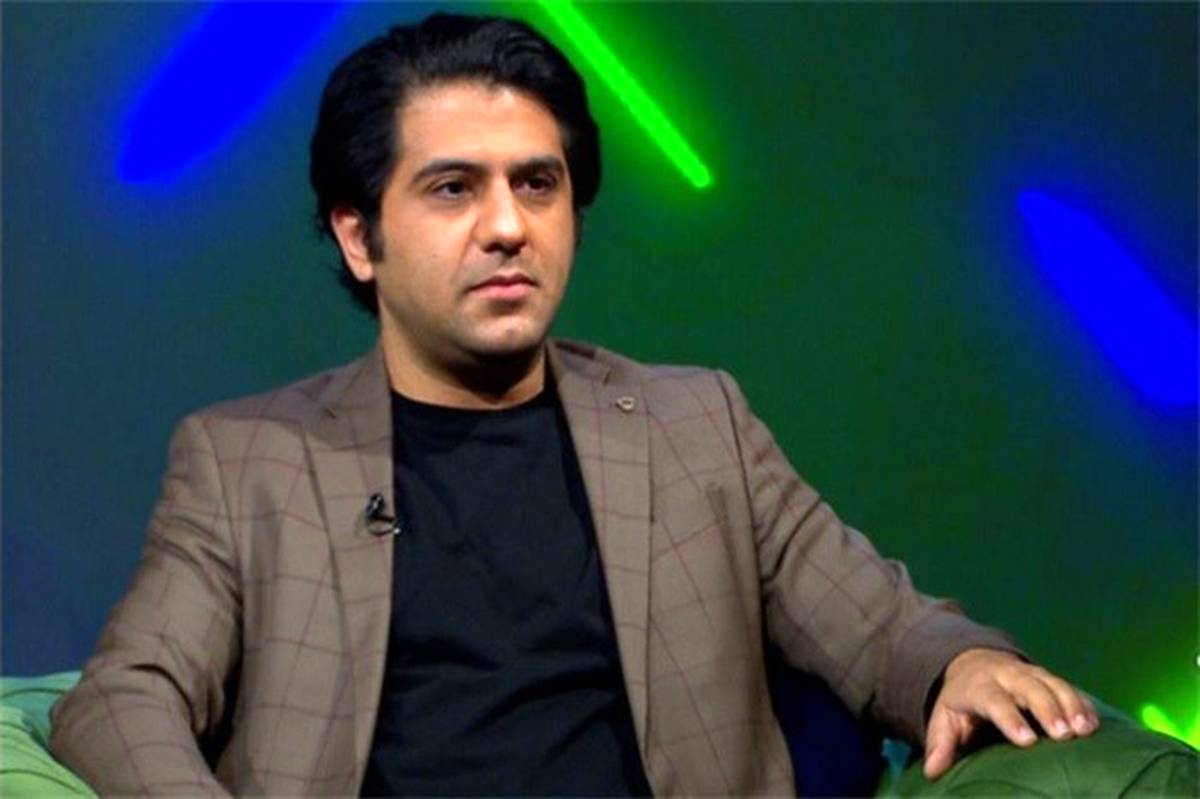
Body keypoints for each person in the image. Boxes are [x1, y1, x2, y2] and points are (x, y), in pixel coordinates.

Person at [49, 12, 1098, 797]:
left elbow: (875, 622)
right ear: (359, 237)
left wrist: (957, 663)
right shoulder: (247, 460)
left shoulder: (696, 426)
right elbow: (123, 696)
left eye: (537, 184)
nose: (508, 226)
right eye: (454, 188)